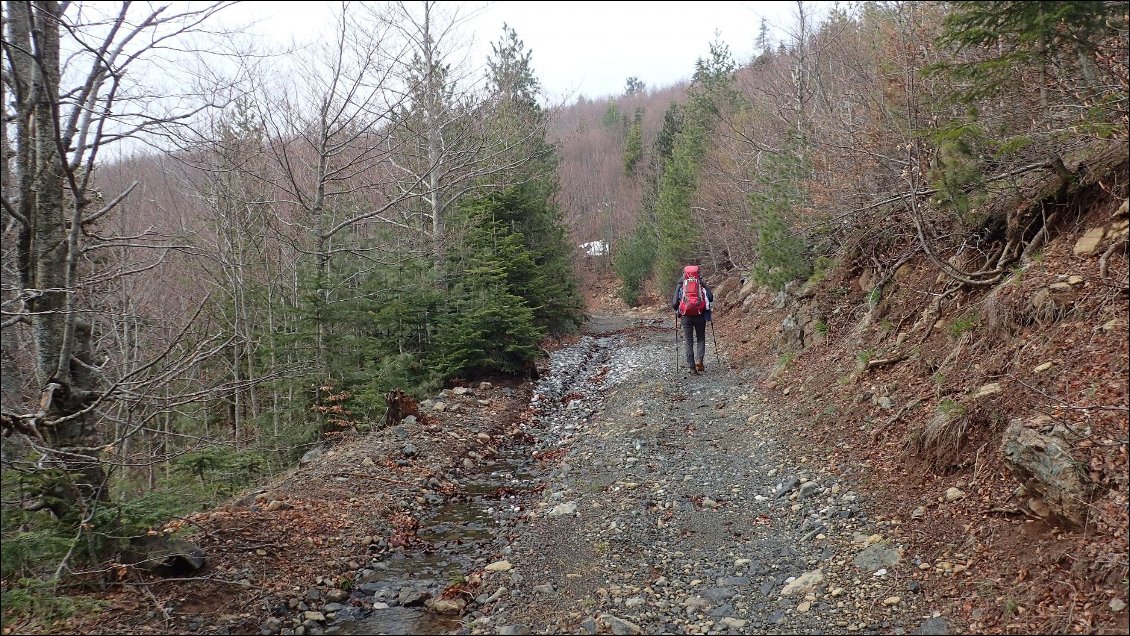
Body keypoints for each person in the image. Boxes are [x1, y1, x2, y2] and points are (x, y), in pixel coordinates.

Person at [671, 265, 714, 374]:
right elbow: (710, 297)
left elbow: (674, 303)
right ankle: (699, 360)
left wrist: (679, 310)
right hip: (700, 314)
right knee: (700, 338)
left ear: (684, 273)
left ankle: (691, 367)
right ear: (697, 273)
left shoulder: (681, 283)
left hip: (686, 316)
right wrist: (702, 284)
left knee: (689, 341)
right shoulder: (700, 282)